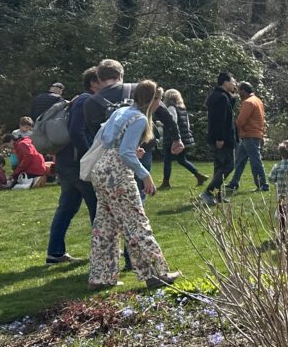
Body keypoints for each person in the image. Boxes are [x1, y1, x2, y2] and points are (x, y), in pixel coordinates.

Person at [86, 79, 179, 290]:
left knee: (105, 225)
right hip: (117, 173)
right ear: (152, 99)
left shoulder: (122, 111)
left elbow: (107, 140)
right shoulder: (139, 119)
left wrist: (128, 154)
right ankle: (156, 273)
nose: (159, 104)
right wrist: (144, 174)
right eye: (159, 99)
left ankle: (100, 277)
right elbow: (126, 152)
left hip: (101, 169)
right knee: (136, 221)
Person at [46, 67, 101, 264]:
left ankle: (55, 252)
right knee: (98, 207)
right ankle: (102, 252)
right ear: (94, 83)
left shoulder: (82, 100)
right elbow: (77, 132)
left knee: (67, 208)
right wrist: (91, 158)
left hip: (67, 163)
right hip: (78, 165)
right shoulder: (85, 100)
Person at [198, 73, 238, 206]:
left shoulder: (220, 96)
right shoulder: (221, 98)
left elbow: (227, 112)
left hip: (219, 137)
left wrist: (233, 98)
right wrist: (220, 138)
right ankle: (208, 192)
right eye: (232, 81)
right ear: (225, 82)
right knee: (228, 165)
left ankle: (218, 194)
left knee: (219, 166)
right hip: (223, 138)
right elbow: (220, 120)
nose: (234, 84)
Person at [155, 89, 205, 189]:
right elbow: (186, 124)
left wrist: (160, 123)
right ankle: (199, 175)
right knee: (182, 160)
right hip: (183, 137)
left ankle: (166, 183)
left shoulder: (171, 108)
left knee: (167, 160)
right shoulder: (182, 109)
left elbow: (172, 122)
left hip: (172, 138)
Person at [226, 82, 267, 192]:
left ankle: (263, 185)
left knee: (255, 161)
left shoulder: (248, 103)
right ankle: (234, 183)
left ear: (243, 91)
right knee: (240, 160)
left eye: (239, 90)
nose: (238, 92)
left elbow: (240, 121)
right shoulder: (257, 100)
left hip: (250, 135)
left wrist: (237, 128)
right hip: (253, 134)